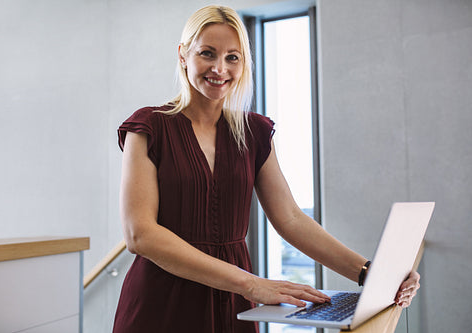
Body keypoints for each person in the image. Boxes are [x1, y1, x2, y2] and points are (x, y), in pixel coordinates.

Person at [112, 5, 420, 333]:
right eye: (207, 53)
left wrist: (369, 272)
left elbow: (290, 218)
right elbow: (140, 235)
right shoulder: (149, 127)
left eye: (233, 57)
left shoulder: (255, 132)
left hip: (234, 305)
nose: (220, 68)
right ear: (183, 55)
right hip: (162, 303)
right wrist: (250, 284)